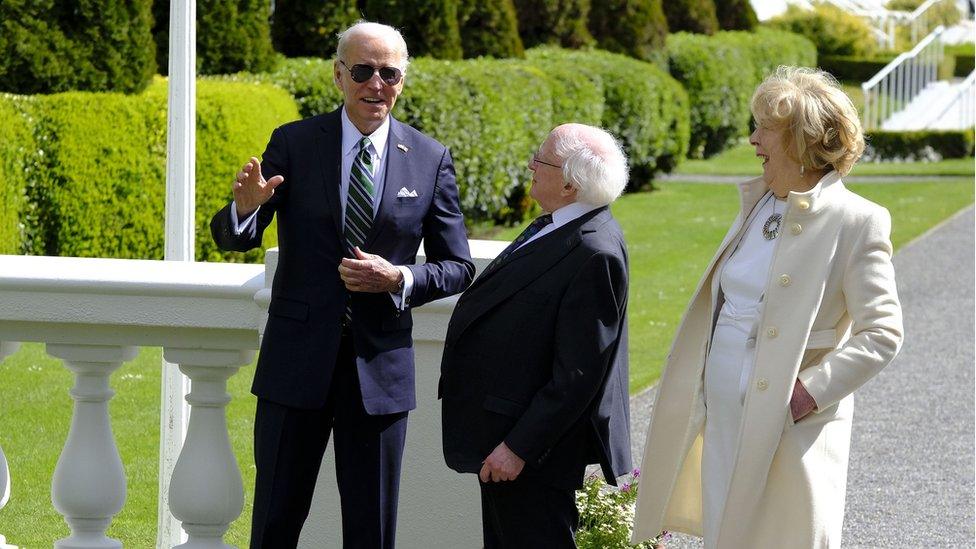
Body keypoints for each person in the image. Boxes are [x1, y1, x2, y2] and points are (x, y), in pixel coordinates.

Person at [210, 21, 474, 548]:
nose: (376, 84)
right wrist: (244, 209)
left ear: (402, 82)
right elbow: (235, 237)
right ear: (338, 75)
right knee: (274, 524)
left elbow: (457, 266)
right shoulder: (295, 143)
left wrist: (397, 277)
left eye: (389, 73)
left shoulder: (429, 158)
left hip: (379, 375)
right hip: (295, 366)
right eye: (363, 71)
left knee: (371, 531)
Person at [631, 66, 904, 549]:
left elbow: (882, 333)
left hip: (789, 422)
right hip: (723, 413)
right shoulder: (758, 203)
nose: (752, 138)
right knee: (726, 534)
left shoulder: (857, 220)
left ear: (801, 139)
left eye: (764, 128)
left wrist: (805, 395)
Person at [440, 123, 633, 548]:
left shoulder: (593, 250)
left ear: (569, 184)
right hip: (504, 438)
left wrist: (518, 448)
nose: (531, 165)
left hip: (531, 454)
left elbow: (578, 376)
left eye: (541, 160)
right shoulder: (558, 226)